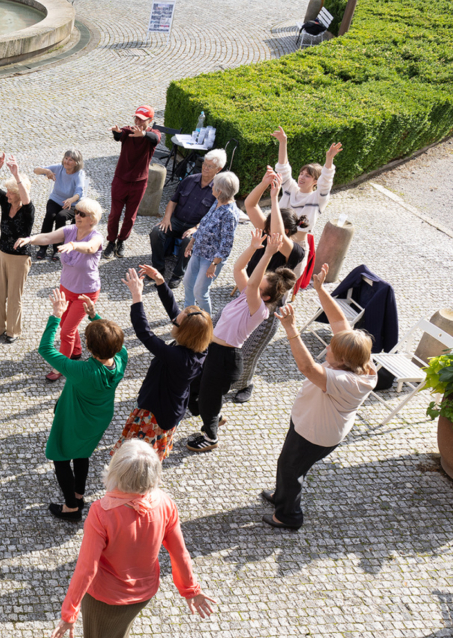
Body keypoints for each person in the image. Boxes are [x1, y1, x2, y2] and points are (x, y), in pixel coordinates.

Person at [48, 440, 215, 638]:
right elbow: (179, 553)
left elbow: (86, 569)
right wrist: (191, 590)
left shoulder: (102, 512)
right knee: (117, 631)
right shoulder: (164, 503)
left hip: (105, 596)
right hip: (144, 592)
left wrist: (69, 612)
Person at [261, 264, 376, 529]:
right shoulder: (359, 359)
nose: (328, 349)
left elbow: (307, 367)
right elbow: (339, 322)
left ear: (344, 360)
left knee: (292, 469)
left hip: (315, 434)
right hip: (306, 422)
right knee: (287, 463)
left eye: (332, 350)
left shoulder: (345, 381)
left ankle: (289, 516)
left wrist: (292, 329)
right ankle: (281, 496)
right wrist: (321, 289)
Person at [186, 227, 296, 453]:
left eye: (258, 285)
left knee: (206, 399)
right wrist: (253, 247)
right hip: (212, 350)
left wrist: (267, 254)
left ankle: (211, 436)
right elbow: (239, 268)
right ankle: (214, 416)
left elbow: (254, 284)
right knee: (194, 389)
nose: (251, 284)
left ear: (265, 297)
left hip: (225, 358)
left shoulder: (259, 310)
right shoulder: (245, 296)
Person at [39, 289, 127, 521]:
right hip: (99, 419)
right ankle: (78, 494)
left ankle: (71, 507)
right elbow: (114, 340)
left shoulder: (81, 370)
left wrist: (56, 316)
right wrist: (94, 316)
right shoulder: (121, 357)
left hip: (74, 420)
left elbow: (46, 349)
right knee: (82, 455)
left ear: (88, 346)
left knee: (60, 457)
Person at [230, 166, 312, 404]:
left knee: (250, 349)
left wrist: (275, 199)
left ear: (286, 232)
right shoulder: (267, 232)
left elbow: (276, 231)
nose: (265, 232)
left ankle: (246, 383)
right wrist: (266, 183)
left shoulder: (295, 251)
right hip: (249, 293)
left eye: (272, 229)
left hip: (269, 306)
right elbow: (251, 205)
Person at [114, 266, 213, 460]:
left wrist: (137, 296)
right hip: (170, 408)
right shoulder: (200, 347)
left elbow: (144, 333)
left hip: (156, 413)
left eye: (177, 322)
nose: (174, 320)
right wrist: (160, 282)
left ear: (184, 331)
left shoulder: (177, 357)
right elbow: (175, 314)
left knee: (140, 457)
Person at [15, 200, 104, 382]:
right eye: (77, 212)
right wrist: (30, 239)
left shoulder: (97, 237)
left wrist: (73, 245)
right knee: (66, 325)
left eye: (82, 214)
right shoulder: (70, 230)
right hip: (66, 287)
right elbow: (48, 237)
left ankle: (61, 366)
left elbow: (90, 248)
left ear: (92, 220)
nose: (77, 216)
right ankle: (76, 351)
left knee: (66, 331)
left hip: (86, 292)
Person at [148, 149, 226, 288]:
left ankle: (178, 274)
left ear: (219, 169)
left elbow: (213, 217)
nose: (205, 168)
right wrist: (166, 218)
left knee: (189, 240)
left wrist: (196, 228)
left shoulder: (218, 191)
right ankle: (158, 269)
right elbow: (173, 201)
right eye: (204, 164)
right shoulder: (189, 180)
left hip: (196, 225)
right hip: (176, 221)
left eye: (210, 166)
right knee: (156, 232)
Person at [0, 153, 34, 343]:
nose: (7, 194)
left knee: (14, 297)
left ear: (19, 193)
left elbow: (27, 201)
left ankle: (13, 331)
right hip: (2, 254)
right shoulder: (6, 202)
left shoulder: (28, 210)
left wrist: (17, 175)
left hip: (19, 258)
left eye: (11, 192)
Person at [181, 171, 242, 317]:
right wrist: (192, 241)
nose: (211, 186)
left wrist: (214, 265)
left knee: (200, 292)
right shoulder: (217, 201)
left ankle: (206, 324)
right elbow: (204, 223)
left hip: (211, 259)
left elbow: (226, 244)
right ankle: (188, 316)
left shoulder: (230, 214)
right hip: (198, 251)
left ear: (219, 191)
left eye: (214, 185)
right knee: (188, 284)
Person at [106, 106, 160, 259]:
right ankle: (111, 241)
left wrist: (143, 134)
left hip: (139, 182)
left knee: (130, 216)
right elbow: (120, 135)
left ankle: (121, 241)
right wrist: (116, 132)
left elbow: (155, 139)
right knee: (114, 214)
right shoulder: (128, 131)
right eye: (136, 118)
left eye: (142, 120)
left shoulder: (153, 134)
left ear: (149, 121)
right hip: (120, 180)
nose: (137, 122)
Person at [272, 127, 342, 234]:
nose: (302, 177)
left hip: (297, 242)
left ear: (316, 181)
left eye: (307, 176)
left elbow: (325, 182)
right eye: (301, 174)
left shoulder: (317, 198)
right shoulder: (290, 188)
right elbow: (283, 168)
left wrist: (329, 159)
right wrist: (283, 142)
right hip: (276, 233)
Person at [32, 150, 86, 261]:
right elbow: (35, 170)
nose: (67, 161)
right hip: (55, 200)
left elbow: (79, 192)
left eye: (70, 160)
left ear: (76, 162)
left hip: (73, 203)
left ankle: (57, 249)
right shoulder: (59, 168)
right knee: (49, 216)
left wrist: (71, 200)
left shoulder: (79, 173)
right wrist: (46, 171)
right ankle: (43, 247)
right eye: (66, 158)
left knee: (61, 217)